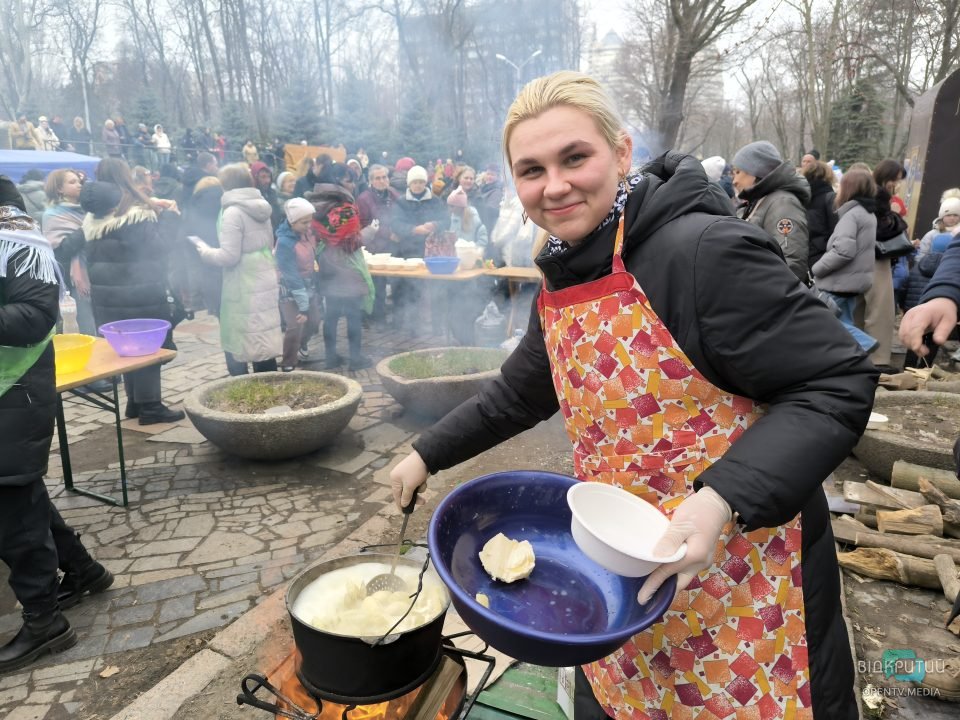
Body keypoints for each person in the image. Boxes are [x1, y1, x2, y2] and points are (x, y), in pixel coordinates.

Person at [389, 71, 877, 719]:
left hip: (735, 578)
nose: (554, 185)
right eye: (531, 170)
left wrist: (718, 499)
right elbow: (517, 396)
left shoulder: (702, 253)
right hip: (617, 573)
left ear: (620, 154)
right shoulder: (566, 271)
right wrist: (425, 452)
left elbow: (838, 379)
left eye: (574, 158)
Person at [0, 180, 113, 674]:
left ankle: (45, 623)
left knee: (13, 511)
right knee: (21, 497)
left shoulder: (17, 242)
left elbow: (31, 317)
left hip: (14, 392)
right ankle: (85, 572)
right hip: (12, 395)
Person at [82, 160, 184, 423]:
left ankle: (134, 404)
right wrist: (171, 216)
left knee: (127, 347)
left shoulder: (95, 216)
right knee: (147, 347)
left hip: (108, 297)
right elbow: (159, 247)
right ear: (125, 176)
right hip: (140, 293)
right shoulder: (135, 214)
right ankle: (151, 407)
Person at [192, 163, 282, 375]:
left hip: (244, 281)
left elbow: (229, 256)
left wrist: (204, 251)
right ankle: (269, 386)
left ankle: (238, 387)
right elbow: (268, 243)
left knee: (239, 336)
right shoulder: (261, 206)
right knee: (263, 334)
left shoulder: (232, 212)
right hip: (264, 272)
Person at [811, 168, 878, 352]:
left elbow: (843, 251)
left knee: (825, 323)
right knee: (844, 322)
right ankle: (852, 361)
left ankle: (864, 344)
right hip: (852, 283)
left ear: (848, 188)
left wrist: (817, 268)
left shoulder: (851, 215)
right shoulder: (867, 214)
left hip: (837, 282)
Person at [309, 184, 374, 370]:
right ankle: (355, 359)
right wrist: (369, 232)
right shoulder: (347, 211)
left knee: (331, 315)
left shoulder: (317, 212)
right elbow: (351, 243)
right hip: (347, 268)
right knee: (353, 315)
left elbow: (321, 238)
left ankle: (331, 358)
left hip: (327, 267)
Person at [732, 140, 811, 283]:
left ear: (756, 171)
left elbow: (791, 264)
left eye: (738, 172)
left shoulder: (783, 203)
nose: (734, 181)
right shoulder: (759, 202)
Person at [857, 160, 908, 373]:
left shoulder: (865, 192)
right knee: (880, 309)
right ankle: (878, 359)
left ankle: (860, 355)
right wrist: (896, 215)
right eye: (895, 180)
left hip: (862, 258)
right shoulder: (879, 197)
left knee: (861, 310)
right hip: (878, 258)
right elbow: (883, 230)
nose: (896, 185)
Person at [275, 198, 321, 371]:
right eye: (304, 222)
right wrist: (303, 306)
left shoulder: (307, 234)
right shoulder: (284, 243)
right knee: (295, 324)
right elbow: (291, 275)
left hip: (308, 283)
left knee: (315, 320)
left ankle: (302, 343)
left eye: (310, 220)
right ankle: (288, 362)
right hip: (289, 288)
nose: (309, 225)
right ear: (292, 221)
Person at [357, 164, 399, 322]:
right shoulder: (364, 199)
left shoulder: (394, 194)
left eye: (385, 177)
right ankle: (377, 317)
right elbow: (364, 223)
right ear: (371, 181)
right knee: (378, 284)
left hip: (394, 246)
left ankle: (398, 316)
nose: (382, 181)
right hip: (375, 247)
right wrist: (388, 234)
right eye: (378, 178)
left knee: (396, 281)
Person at [803, 160, 838, 268]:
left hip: (806, 256)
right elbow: (836, 231)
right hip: (826, 258)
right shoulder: (831, 198)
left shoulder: (802, 198)